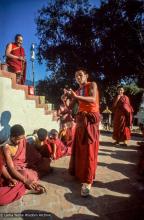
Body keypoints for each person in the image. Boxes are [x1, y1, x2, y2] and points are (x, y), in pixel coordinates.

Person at [65, 68, 100, 197]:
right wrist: (66, 98)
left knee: (89, 150)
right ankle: (80, 173)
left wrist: (75, 96)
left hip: (90, 120)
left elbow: (92, 99)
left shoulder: (92, 85)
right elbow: (69, 106)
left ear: (86, 75)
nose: (78, 78)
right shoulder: (77, 91)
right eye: (76, 76)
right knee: (80, 149)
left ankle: (88, 181)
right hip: (80, 121)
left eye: (80, 75)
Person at [1, 124, 47, 194]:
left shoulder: (22, 141)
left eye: (21, 138)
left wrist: (38, 158)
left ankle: (34, 176)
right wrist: (25, 180)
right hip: (17, 168)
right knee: (25, 174)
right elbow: (11, 168)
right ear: (12, 137)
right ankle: (30, 181)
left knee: (45, 162)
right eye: (18, 139)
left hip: (26, 163)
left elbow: (31, 152)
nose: (20, 141)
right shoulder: (6, 147)